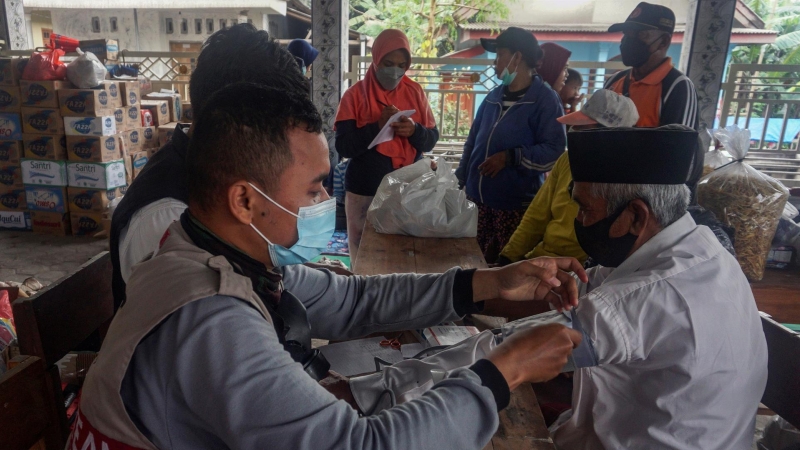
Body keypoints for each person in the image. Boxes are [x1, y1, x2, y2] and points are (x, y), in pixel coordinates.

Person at [72, 82, 586, 450]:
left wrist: (488, 282)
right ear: (244, 202)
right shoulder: (210, 317)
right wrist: (505, 371)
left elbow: (354, 299)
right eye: (314, 187)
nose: (326, 200)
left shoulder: (213, 252)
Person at [549, 126, 767, 449]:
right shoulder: (703, 249)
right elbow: (575, 291)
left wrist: (467, 295)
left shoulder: (646, 295)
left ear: (636, 215)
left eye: (585, 210)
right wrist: (497, 289)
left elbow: (527, 352)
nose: (579, 221)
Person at [110, 24, 309, 310]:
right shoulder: (168, 215)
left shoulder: (221, 173)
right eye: (276, 131)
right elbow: (207, 332)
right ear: (237, 123)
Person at [455, 27, 566, 263]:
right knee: (476, 265)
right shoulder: (493, 97)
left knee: (508, 270)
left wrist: (510, 157)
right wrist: (460, 178)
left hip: (514, 206)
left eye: (500, 55)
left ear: (518, 57)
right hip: (478, 202)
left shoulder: (544, 100)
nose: (495, 62)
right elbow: (473, 142)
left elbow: (554, 152)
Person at [496, 90, 639, 267]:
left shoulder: (626, 178)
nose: (573, 131)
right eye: (575, 126)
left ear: (609, 136)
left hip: (582, 271)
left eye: (582, 128)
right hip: (542, 259)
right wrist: (509, 257)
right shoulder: (567, 160)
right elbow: (537, 215)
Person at [334, 29, 438, 269]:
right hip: (365, 189)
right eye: (388, 63)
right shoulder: (355, 95)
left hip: (408, 188)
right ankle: (363, 303)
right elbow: (344, 146)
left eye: (402, 65)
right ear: (376, 59)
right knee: (363, 256)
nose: (395, 71)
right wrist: (377, 126)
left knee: (403, 255)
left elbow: (430, 139)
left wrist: (414, 131)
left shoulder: (415, 92)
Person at [604, 2, 704, 188]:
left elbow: (679, 161)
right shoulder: (614, 82)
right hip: (609, 189)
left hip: (648, 198)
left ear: (664, 41)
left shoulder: (677, 87)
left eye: (640, 34)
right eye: (627, 34)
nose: (628, 41)